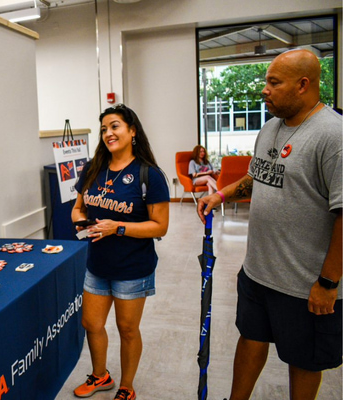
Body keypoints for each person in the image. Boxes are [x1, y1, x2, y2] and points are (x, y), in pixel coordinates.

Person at [197, 49, 342, 400]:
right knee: (250, 338)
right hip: (258, 271)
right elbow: (256, 177)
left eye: (274, 82)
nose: (264, 90)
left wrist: (327, 282)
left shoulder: (332, 136)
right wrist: (221, 195)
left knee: (303, 359)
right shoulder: (270, 128)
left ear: (303, 85)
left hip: (304, 281)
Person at [71, 104, 170, 400]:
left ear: (132, 131)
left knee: (127, 329)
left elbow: (160, 227)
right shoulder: (93, 169)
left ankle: (126, 385)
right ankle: (100, 376)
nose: (108, 133)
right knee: (91, 323)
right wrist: (82, 223)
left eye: (114, 126)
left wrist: (119, 227)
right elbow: (78, 209)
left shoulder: (149, 175)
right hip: (97, 264)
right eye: (104, 129)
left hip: (132, 267)